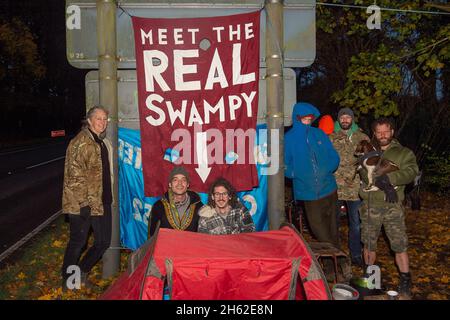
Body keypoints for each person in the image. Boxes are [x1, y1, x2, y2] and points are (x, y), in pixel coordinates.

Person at [359, 117, 419, 298]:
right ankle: (371, 279)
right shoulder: (368, 150)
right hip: (371, 205)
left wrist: (390, 178)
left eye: (386, 131)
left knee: (399, 244)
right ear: (375, 134)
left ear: (392, 132)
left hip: (392, 205)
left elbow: (411, 172)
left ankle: (405, 280)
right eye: (379, 132)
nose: (383, 135)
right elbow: (363, 172)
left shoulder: (403, 152)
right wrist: (369, 170)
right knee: (369, 243)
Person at [61, 106, 113, 290]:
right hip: (83, 203)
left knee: (103, 242)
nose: (102, 122)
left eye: (105, 118)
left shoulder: (100, 142)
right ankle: (69, 281)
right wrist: (84, 203)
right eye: (98, 118)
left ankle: (81, 272)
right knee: (78, 243)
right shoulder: (81, 142)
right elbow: (74, 177)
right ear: (89, 121)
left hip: (101, 202)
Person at [285, 102, 340, 248]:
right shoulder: (288, 139)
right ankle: (334, 254)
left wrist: (327, 169)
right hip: (308, 192)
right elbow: (284, 165)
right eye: (305, 119)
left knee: (333, 228)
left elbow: (334, 156)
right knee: (319, 229)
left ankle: (333, 263)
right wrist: (296, 174)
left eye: (310, 119)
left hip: (329, 188)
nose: (308, 122)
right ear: (297, 118)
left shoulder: (319, 134)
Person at [330, 108, 369, 267]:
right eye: (342, 117)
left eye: (348, 117)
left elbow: (369, 161)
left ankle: (356, 255)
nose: (345, 120)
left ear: (352, 119)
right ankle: (334, 254)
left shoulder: (362, 137)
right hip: (334, 187)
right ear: (338, 119)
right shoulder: (330, 137)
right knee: (333, 223)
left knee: (356, 223)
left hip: (355, 188)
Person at [148, 166, 202, 238]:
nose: (180, 183)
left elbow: (203, 237)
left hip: (191, 248)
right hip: (165, 248)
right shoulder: (159, 206)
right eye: (175, 180)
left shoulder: (199, 207)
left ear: (188, 184)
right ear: (170, 184)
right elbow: (152, 236)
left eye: (183, 180)